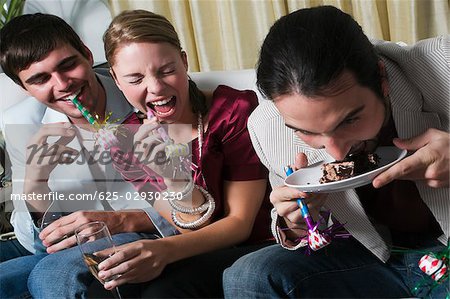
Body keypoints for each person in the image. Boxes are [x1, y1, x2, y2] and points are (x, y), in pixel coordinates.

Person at [223, 6, 449, 298]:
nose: (337, 151)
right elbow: (304, 231)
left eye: (350, 120)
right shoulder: (268, 127)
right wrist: (296, 222)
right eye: (307, 132)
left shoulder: (442, 65)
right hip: (373, 253)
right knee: (249, 275)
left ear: (382, 80)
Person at [0, 13, 178, 298]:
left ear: (86, 53)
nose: (62, 84)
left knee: (53, 276)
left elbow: (201, 199)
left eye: (67, 65)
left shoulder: (145, 93)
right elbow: (33, 244)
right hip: (71, 248)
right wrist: (35, 182)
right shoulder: (23, 122)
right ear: (24, 88)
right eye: (40, 79)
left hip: (151, 234)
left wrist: (125, 219)